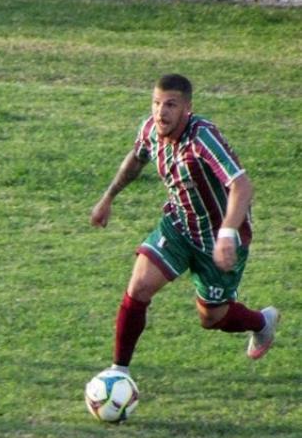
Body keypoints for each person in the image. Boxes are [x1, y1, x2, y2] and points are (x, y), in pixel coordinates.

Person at [90, 74, 279, 376]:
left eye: (170, 105)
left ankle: (262, 322)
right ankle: (118, 372)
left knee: (211, 317)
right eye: (156, 103)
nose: (160, 112)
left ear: (187, 109)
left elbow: (242, 185)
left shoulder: (203, 137)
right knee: (138, 286)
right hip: (180, 224)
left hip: (221, 238)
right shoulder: (151, 130)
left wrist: (228, 233)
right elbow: (137, 158)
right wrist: (108, 197)